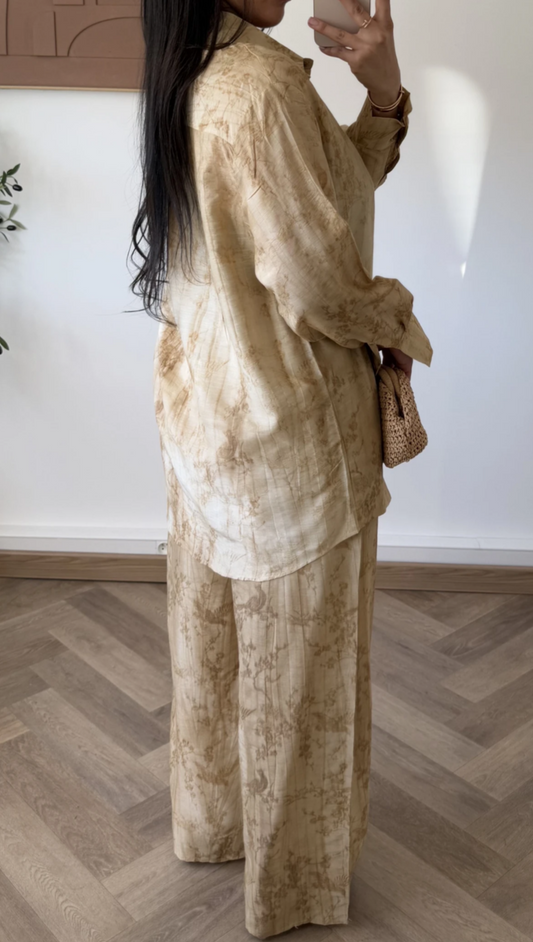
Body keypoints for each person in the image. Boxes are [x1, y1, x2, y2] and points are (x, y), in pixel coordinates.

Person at [129, 0, 433, 937]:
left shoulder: (188, 63)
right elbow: (320, 280)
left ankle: (214, 825)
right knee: (303, 668)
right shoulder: (260, 86)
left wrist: (382, 97)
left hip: (207, 409)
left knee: (215, 648)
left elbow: (322, 197)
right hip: (291, 428)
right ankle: (291, 887)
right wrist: (396, 320)